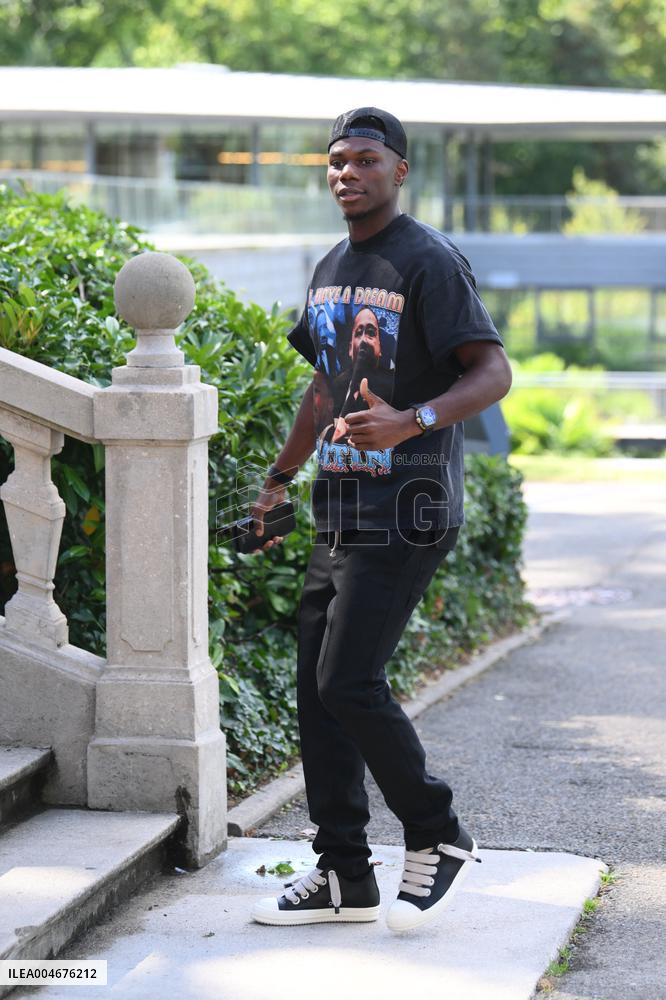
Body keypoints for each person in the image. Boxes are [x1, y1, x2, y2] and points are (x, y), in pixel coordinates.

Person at [248, 107, 512, 931]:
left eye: (365, 160)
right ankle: (342, 872)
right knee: (316, 688)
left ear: (399, 172)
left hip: (410, 505)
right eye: (335, 162)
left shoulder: (428, 261)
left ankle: (439, 832)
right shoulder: (332, 265)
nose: (346, 174)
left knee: (348, 680)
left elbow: (493, 371)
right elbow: (325, 386)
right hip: (340, 505)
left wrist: (415, 419)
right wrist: (279, 479)